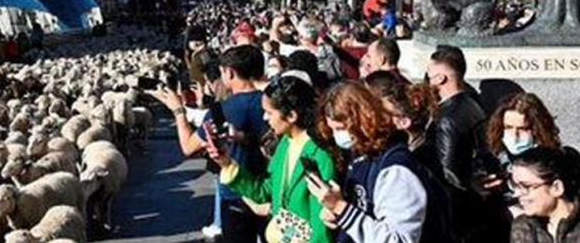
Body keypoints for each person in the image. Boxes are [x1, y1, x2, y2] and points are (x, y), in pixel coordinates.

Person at [153, 45, 269, 243]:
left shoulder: (221, 111)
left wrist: (178, 111)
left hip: (235, 192)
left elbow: (189, 147)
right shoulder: (273, 105)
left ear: (230, 73)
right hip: (270, 188)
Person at [207, 75, 337, 243]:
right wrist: (226, 163)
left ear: (291, 116)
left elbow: (321, 227)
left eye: (269, 113)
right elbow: (265, 191)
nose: (265, 118)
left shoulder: (320, 155)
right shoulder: (285, 144)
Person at [309, 81, 433, 243]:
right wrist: (337, 215)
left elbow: (399, 239)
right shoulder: (361, 156)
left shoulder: (395, 169)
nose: (337, 136)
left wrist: (341, 208)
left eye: (340, 128)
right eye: (332, 129)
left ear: (363, 120)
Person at [427, 44, 499, 242]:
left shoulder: (447, 118)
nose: (426, 81)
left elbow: (448, 172)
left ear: (441, 78)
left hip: (458, 217)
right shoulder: (472, 104)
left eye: (429, 75)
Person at [483, 93, 563, 217]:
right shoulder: (493, 158)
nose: (514, 136)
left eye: (523, 129)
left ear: (537, 129)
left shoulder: (556, 162)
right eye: (508, 127)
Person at [508, 147, 580, 242]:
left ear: (556, 188)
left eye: (526, 186)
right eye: (515, 186)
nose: (516, 194)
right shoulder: (524, 227)